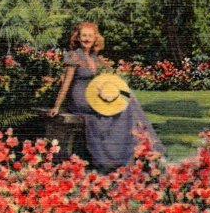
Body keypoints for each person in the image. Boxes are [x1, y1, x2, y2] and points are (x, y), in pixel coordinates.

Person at [48, 22, 164, 171]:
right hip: (80, 99)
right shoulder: (74, 56)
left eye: (90, 36)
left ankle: (143, 148)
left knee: (127, 102)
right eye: (84, 35)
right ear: (78, 37)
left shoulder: (94, 57)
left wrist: (118, 92)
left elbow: (100, 81)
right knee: (123, 106)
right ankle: (130, 151)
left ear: (95, 38)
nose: (87, 39)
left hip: (93, 95)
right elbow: (66, 83)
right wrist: (57, 105)